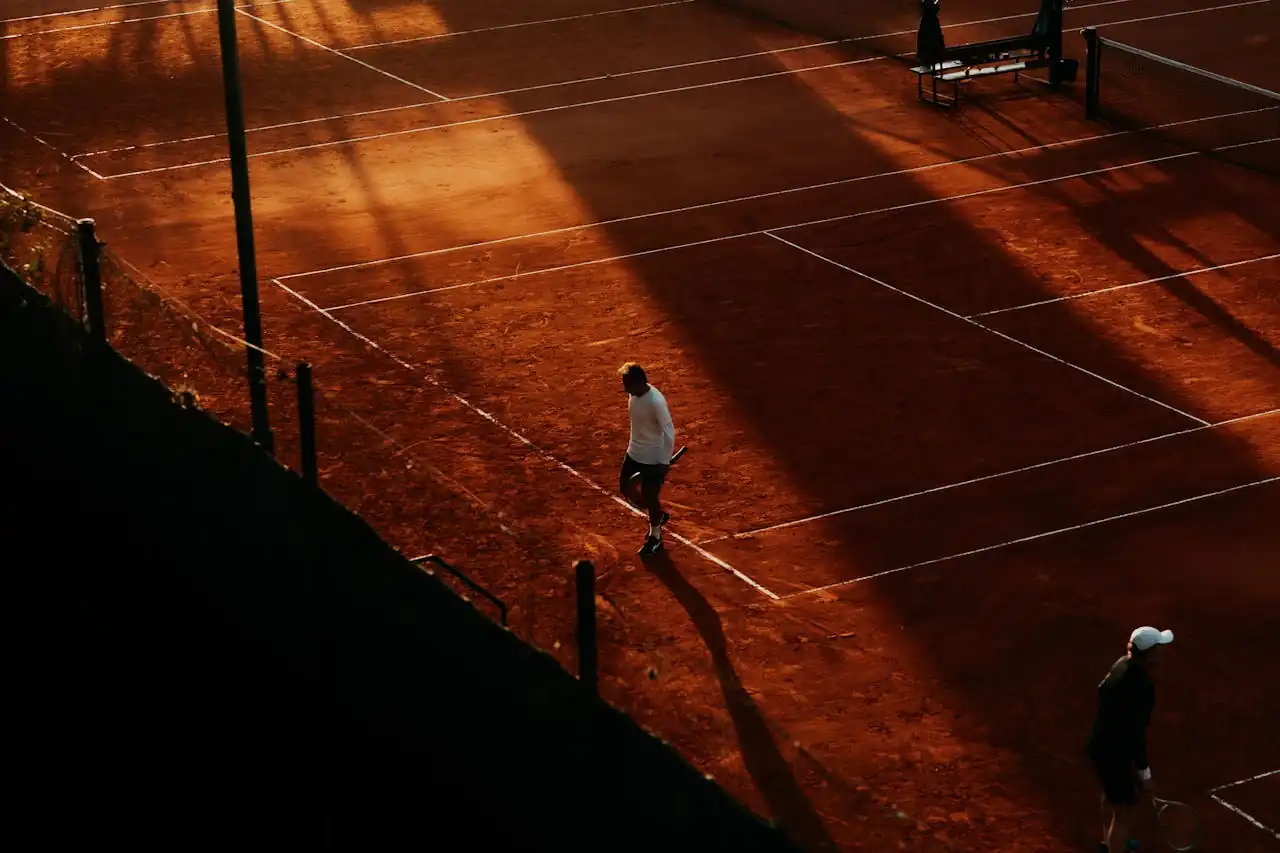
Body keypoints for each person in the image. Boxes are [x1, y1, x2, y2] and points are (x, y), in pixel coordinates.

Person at [1086, 626, 1174, 852]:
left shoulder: (1121, 664)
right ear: (1150, 654)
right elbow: (1135, 736)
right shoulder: (1142, 688)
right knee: (1122, 814)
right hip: (1115, 754)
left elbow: (1101, 690)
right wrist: (1145, 775)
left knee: (1110, 797)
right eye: (1159, 648)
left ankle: (1110, 842)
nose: (1163, 652)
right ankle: (1115, 844)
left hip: (1099, 744)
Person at [617, 363, 675, 556]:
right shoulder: (634, 394)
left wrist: (664, 462)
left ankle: (655, 537)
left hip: (653, 456)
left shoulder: (656, 402)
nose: (624, 389)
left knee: (650, 494)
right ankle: (657, 514)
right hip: (634, 452)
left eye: (627, 384)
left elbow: (668, 431)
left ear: (639, 382)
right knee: (626, 488)